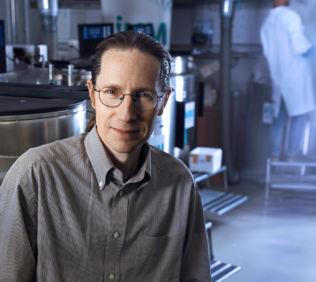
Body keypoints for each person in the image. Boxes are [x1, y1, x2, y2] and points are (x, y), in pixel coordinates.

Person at [0, 31, 211, 281]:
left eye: (143, 95)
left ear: (163, 101)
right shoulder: (35, 176)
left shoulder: (179, 184)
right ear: (92, 94)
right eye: (112, 92)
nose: (125, 114)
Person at [260, 0, 315, 161]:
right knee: (299, 115)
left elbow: (267, 53)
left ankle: (274, 155)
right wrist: (315, 51)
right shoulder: (290, 16)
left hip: (278, 77)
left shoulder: (266, 24)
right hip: (295, 76)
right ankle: (292, 154)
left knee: (279, 117)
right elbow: (300, 46)